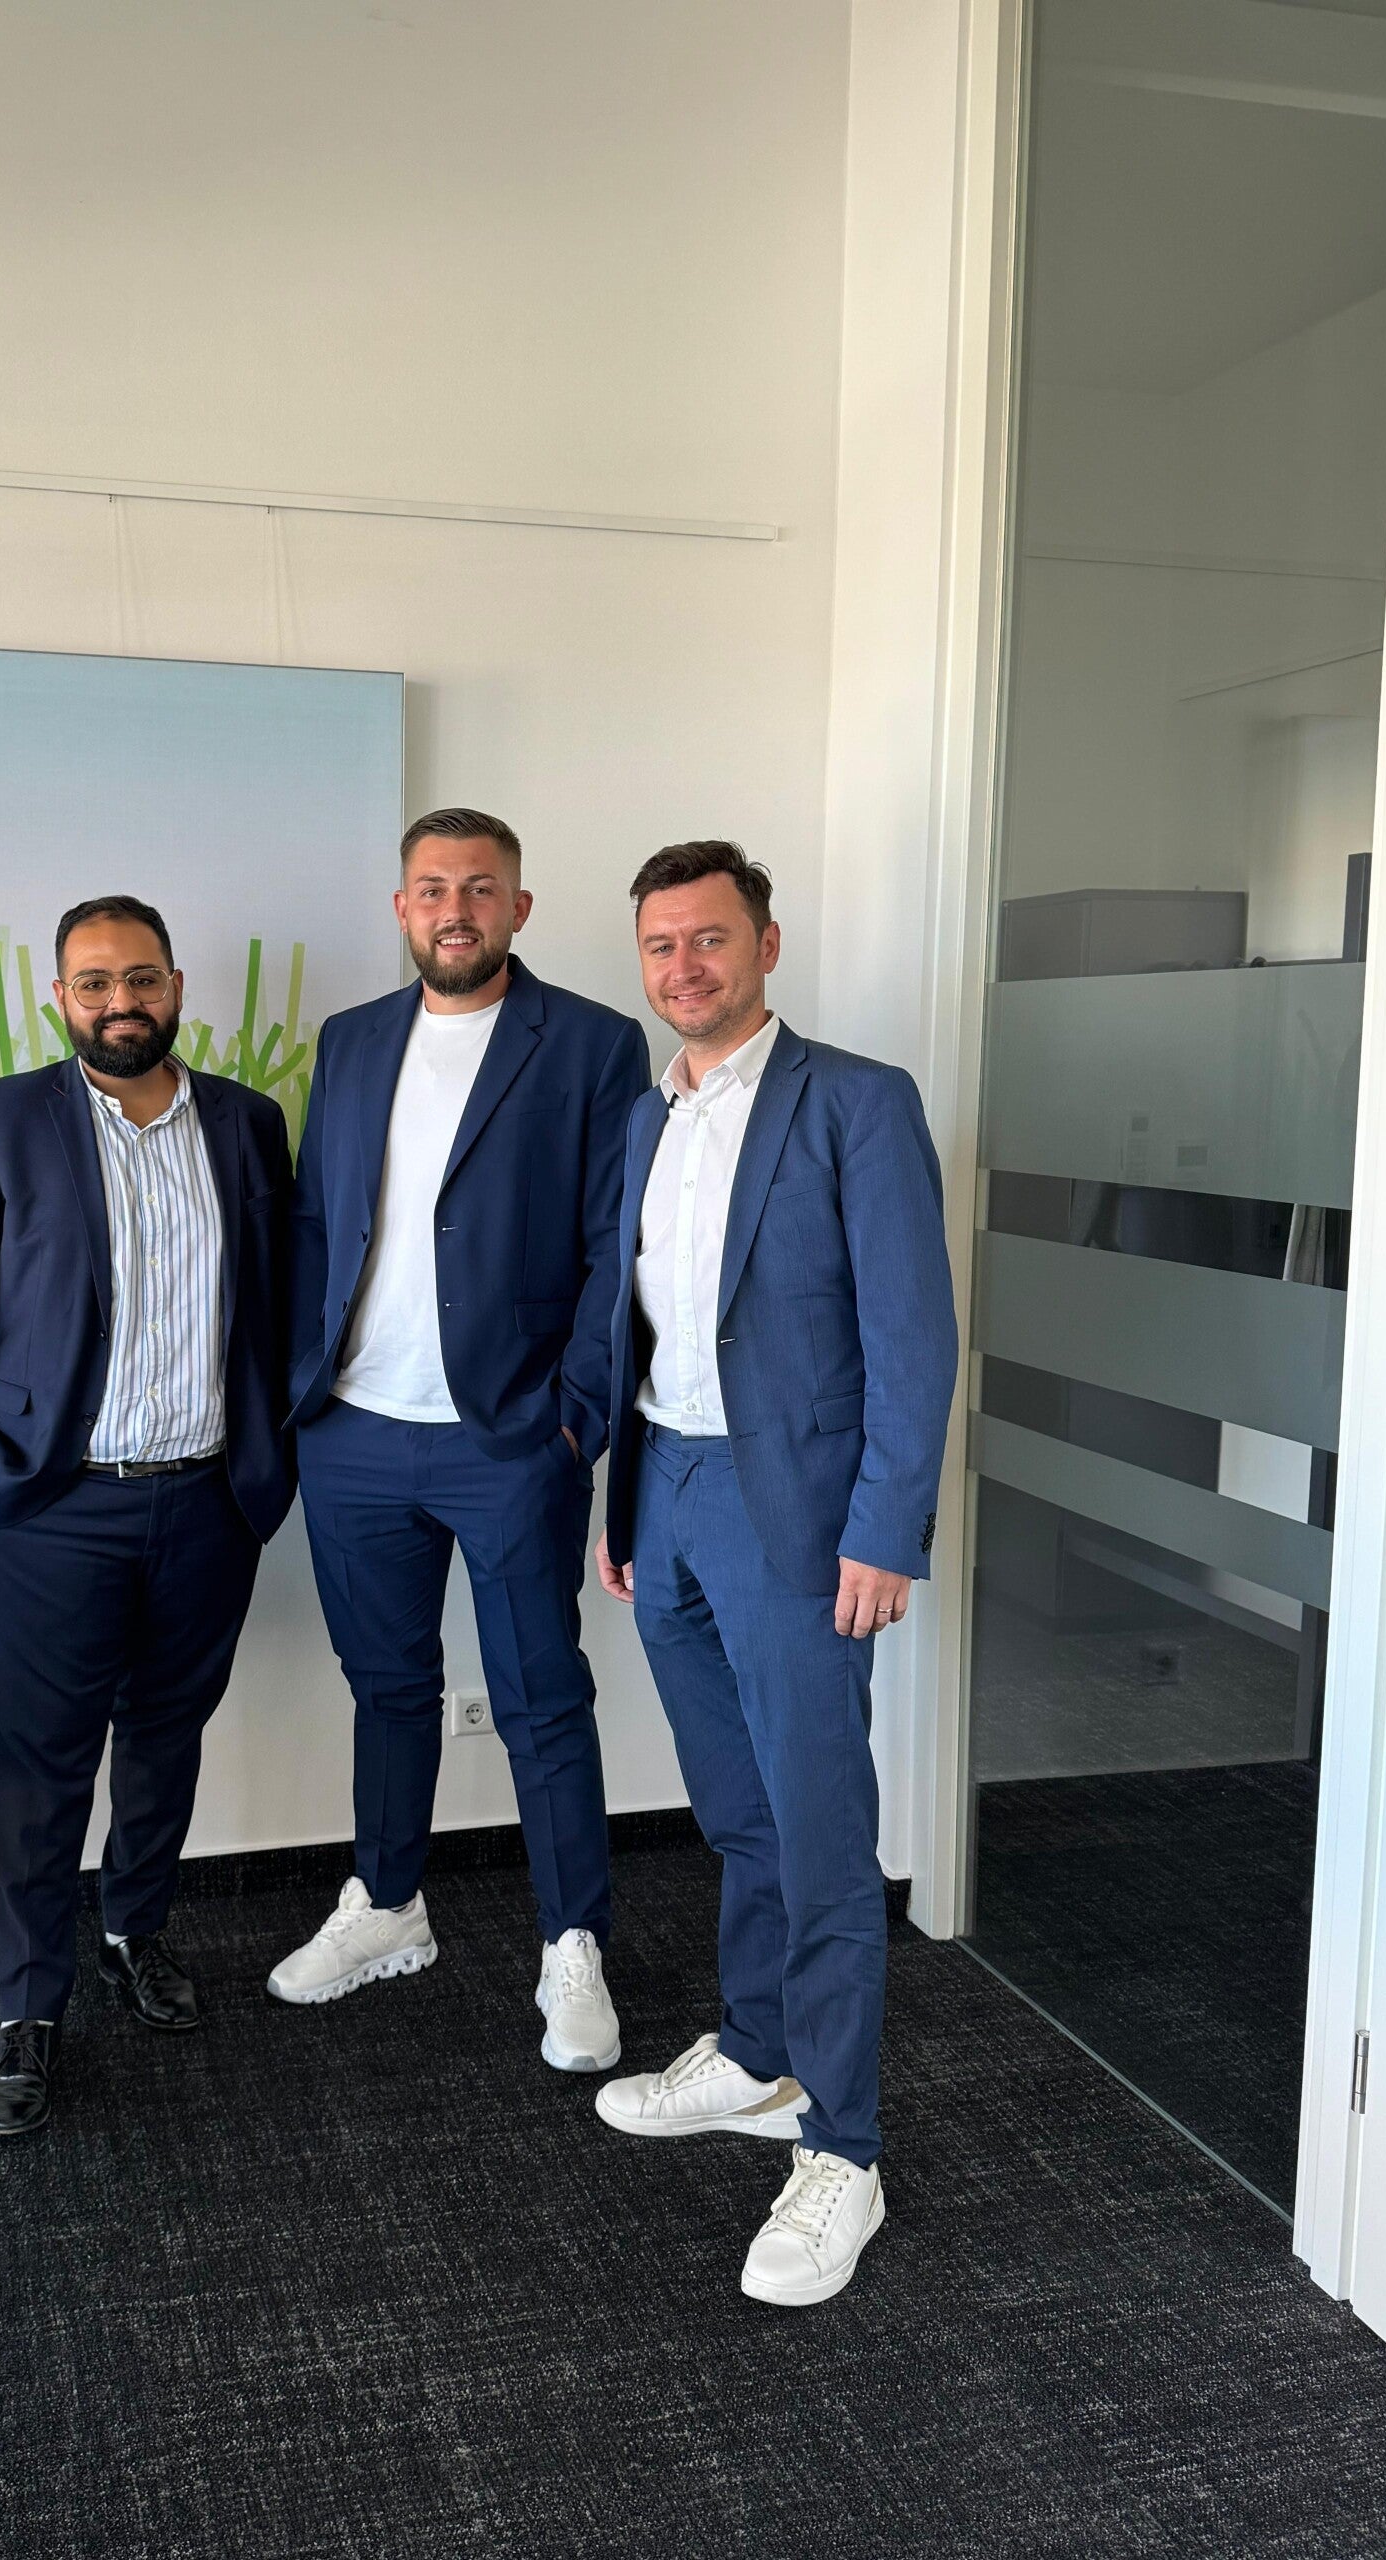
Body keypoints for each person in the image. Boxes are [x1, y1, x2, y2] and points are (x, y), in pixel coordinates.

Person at [593, 840, 955, 2304]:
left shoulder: (856, 1101)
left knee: (819, 1830)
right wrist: (626, 1508)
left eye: (710, 938)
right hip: (669, 1492)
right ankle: (758, 2053)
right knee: (737, 1811)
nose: (685, 966)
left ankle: (844, 2146)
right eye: (661, 944)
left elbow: (913, 1331)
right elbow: (643, 1329)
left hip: (797, 1515)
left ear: (766, 945)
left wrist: (886, 1527)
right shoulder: (649, 1113)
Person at [268, 808, 651, 2068]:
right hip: (355, 1433)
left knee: (541, 1695)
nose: (455, 909)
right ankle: (388, 1903)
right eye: (432, 888)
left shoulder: (591, 1042)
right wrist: (303, 1386)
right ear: (402, 908)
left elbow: (614, 1249)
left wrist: (575, 1418)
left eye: (480, 888)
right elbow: (320, 1222)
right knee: (387, 1687)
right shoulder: (352, 1038)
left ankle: (573, 1942)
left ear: (518, 908)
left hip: (511, 1438)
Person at [0, 895, 294, 2137]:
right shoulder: (1, 1119)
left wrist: (271, 1460)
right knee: (41, 1767)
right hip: (49, 1508)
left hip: (208, 1499)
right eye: (94, 983)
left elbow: (278, 1302)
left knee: (167, 1736)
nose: (120, 1002)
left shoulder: (246, 1122)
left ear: (175, 985)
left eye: (140, 979)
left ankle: (135, 1927)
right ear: (60, 998)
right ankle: (28, 2006)